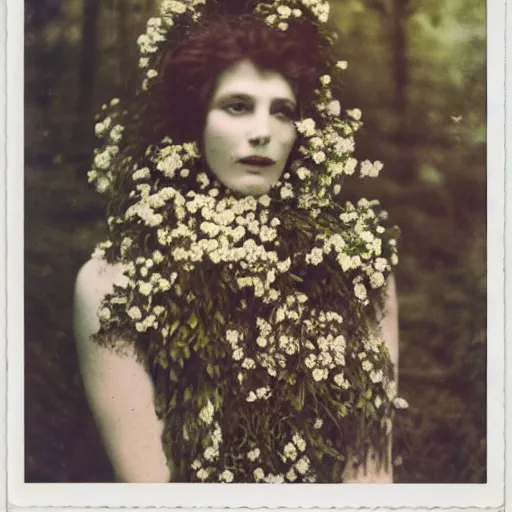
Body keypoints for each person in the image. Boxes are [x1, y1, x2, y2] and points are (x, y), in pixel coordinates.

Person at [74, 0, 406, 484]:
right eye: (237, 106)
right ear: (194, 121)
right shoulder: (114, 286)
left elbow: (370, 473)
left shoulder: (359, 270)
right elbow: (151, 487)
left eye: (283, 112)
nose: (261, 133)